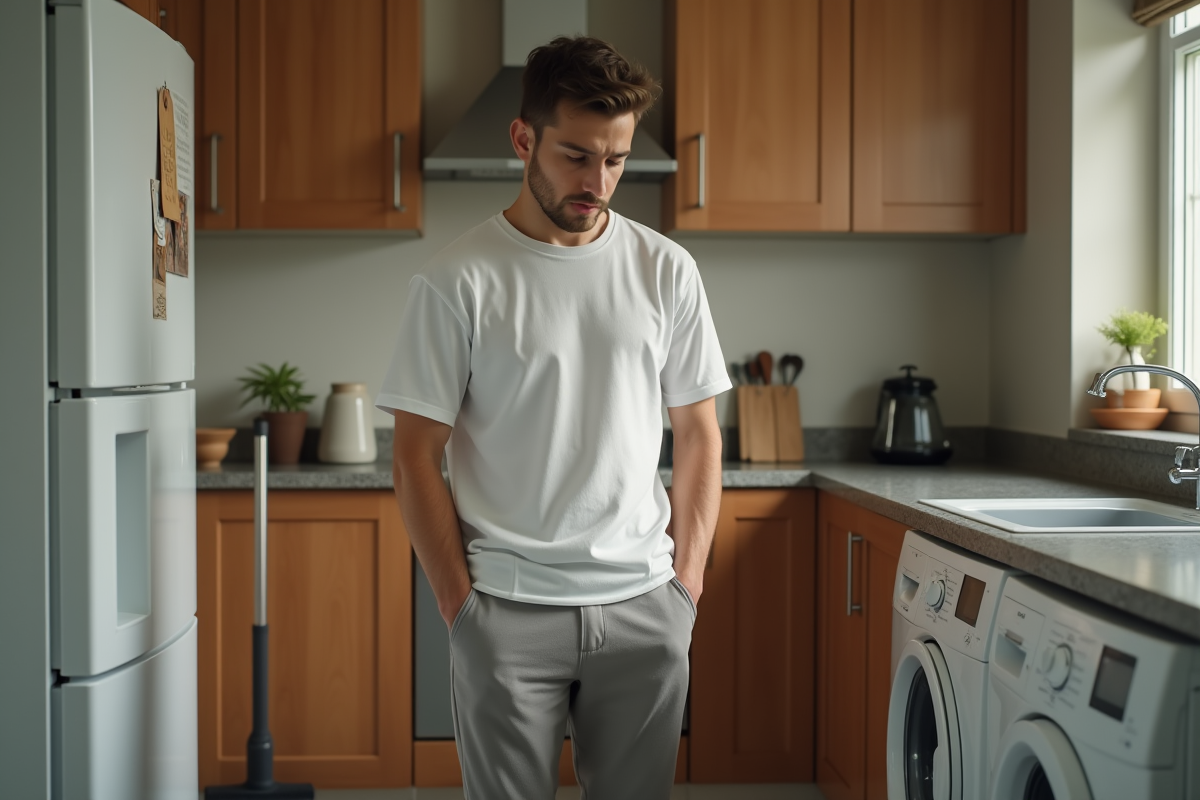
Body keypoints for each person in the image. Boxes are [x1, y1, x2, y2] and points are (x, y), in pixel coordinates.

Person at [376, 35, 730, 799]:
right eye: (575, 155)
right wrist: (460, 607)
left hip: (644, 608)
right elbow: (413, 455)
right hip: (505, 613)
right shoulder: (455, 283)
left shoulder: (667, 270)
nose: (596, 182)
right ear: (523, 138)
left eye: (615, 159)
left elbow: (700, 434)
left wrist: (686, 588)